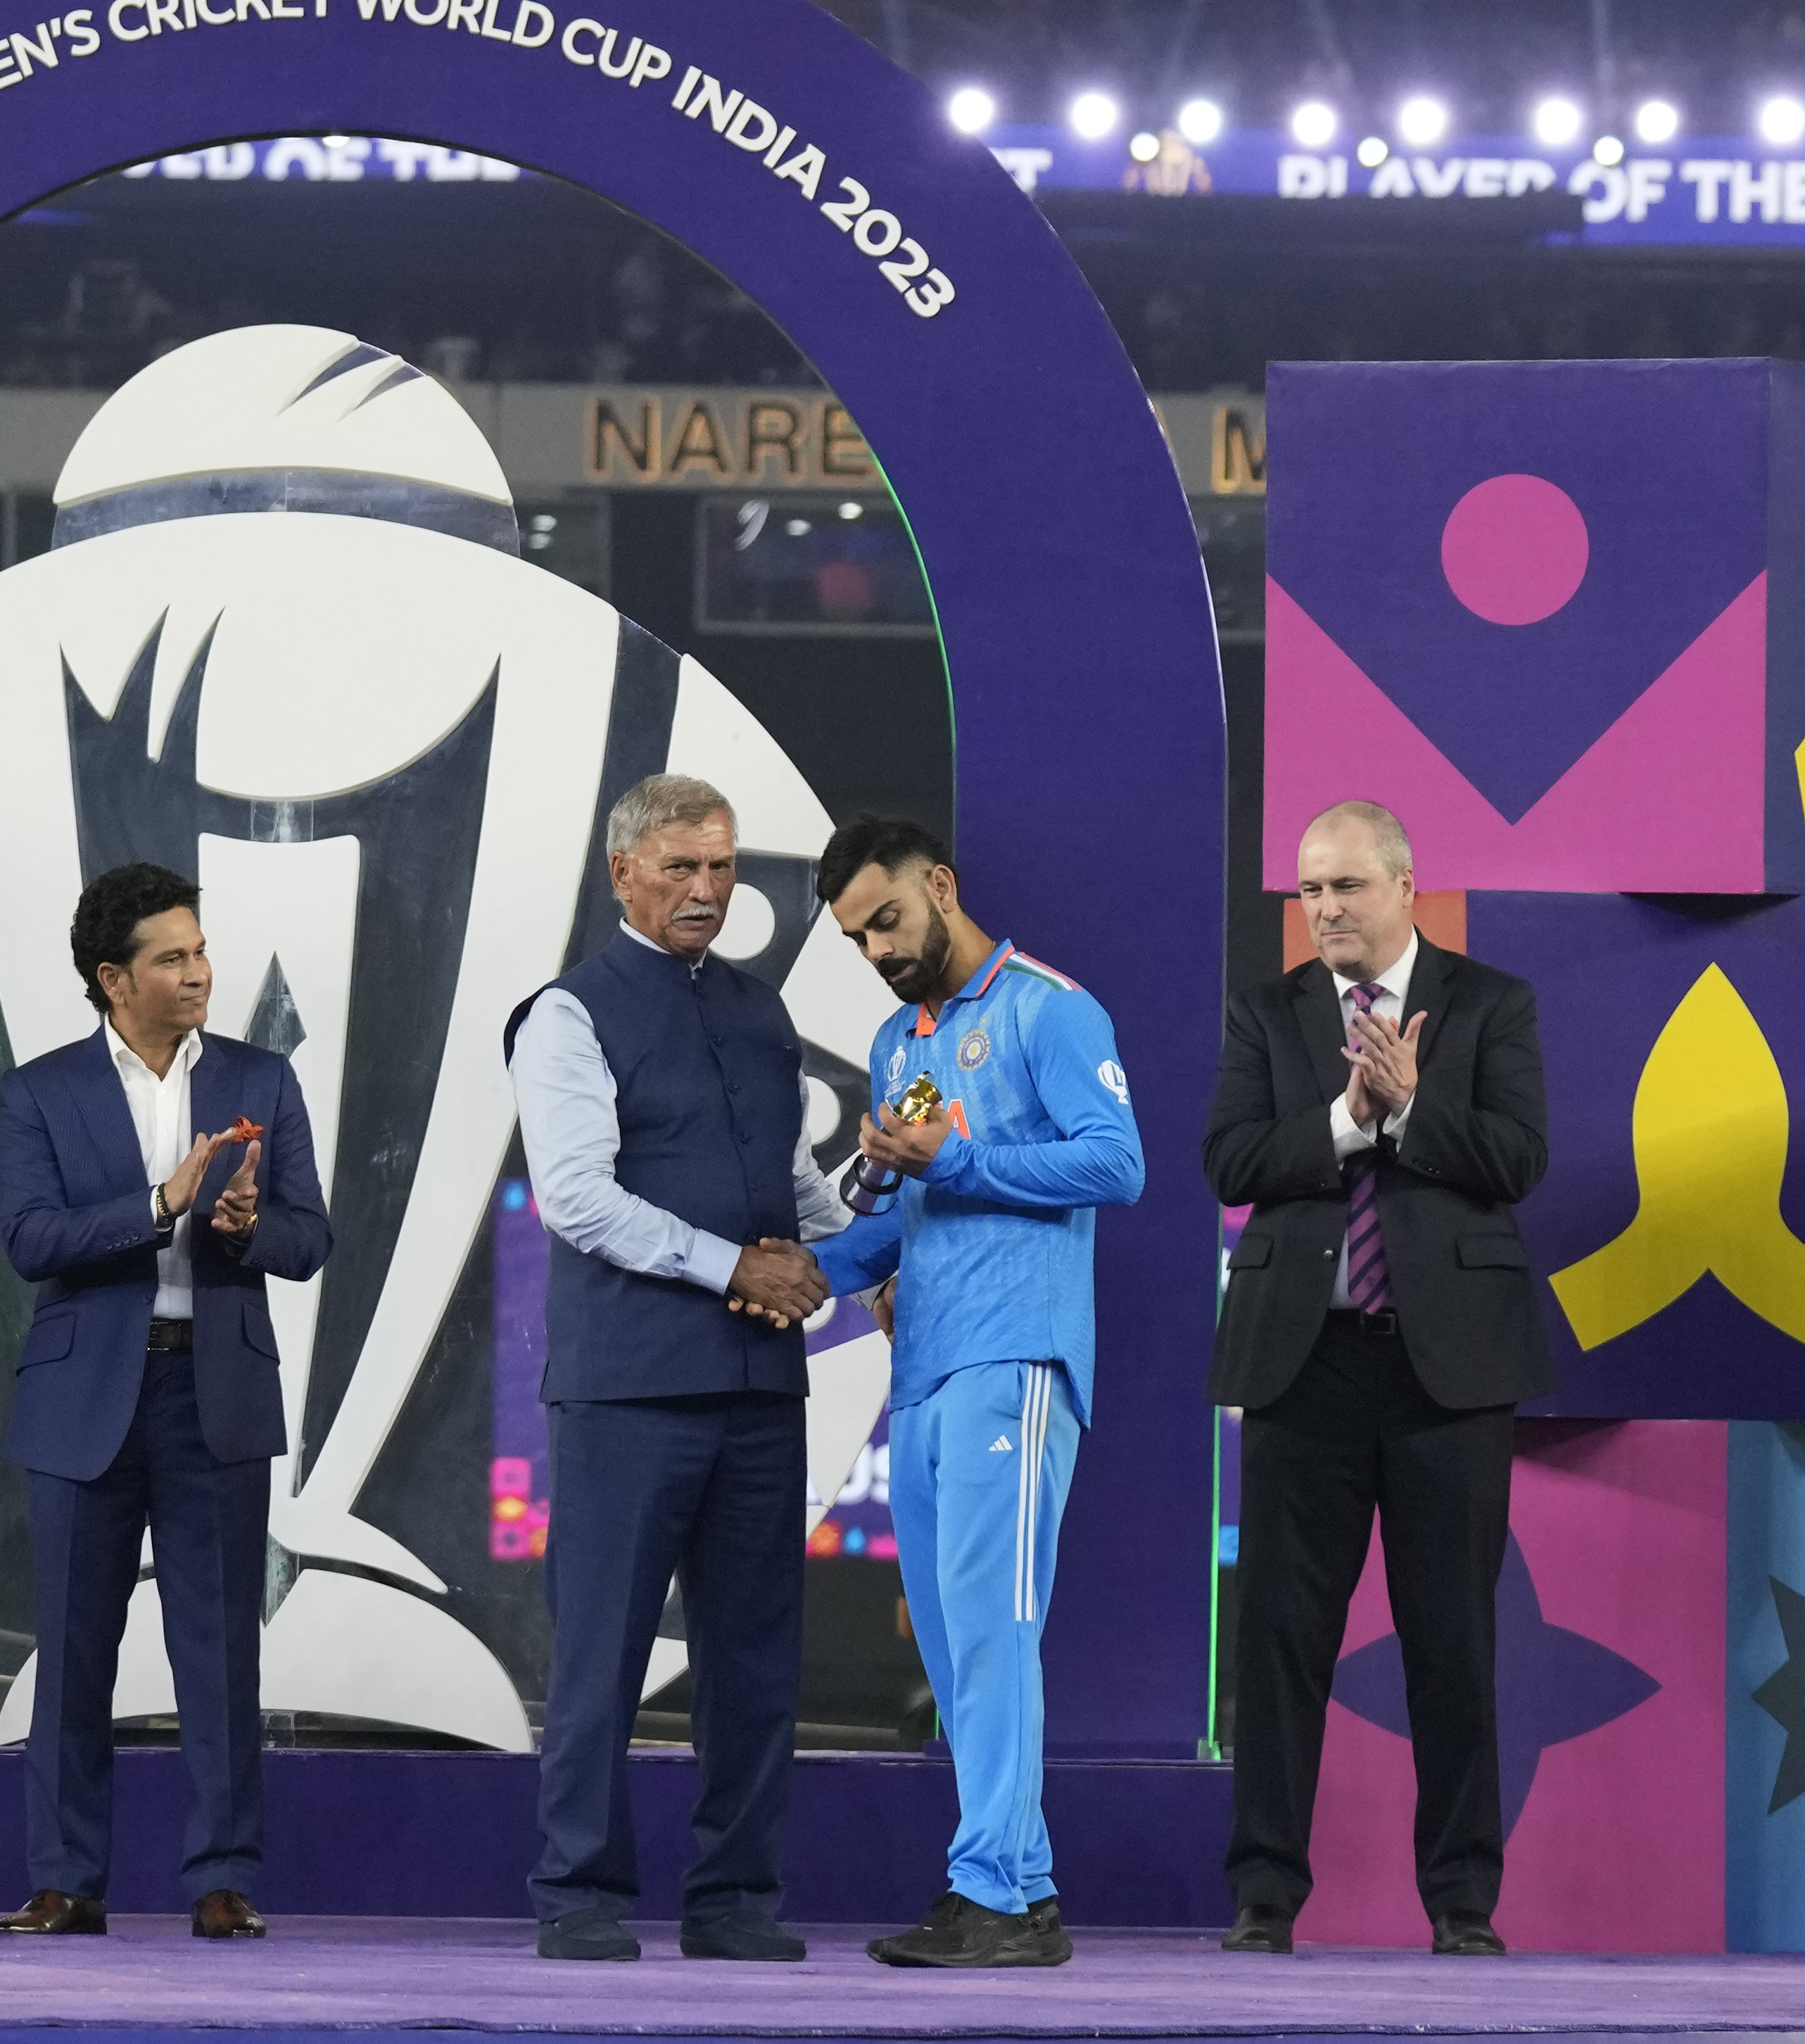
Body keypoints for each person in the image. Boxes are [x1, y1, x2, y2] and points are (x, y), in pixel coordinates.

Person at [505, 774, 850, 1965]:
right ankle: (580, 1893)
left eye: (723, 869)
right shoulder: (565, 1015)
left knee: (757, 1657)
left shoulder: (761, 1013)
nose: (707, 890)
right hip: (628, 1387)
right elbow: (577, 1200)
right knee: (600, 1650)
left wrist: (865, 1251)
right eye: (681, 869)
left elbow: (795, 1189)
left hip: (758, 1388)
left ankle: (735, 1898)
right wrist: (735, 1270)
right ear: (622, 876)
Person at [797, 814, 1143, 1969]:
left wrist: (958, 1162)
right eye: (855, 939)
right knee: (952, 1648)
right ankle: (1020, 1890)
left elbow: (1117, 1162)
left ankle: (990, 1892)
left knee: (993, 1635)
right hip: (928, 1368)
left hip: (1018, 1358)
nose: (879, 950)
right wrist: (800, 1274)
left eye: (886, 919)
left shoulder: (1051, 1008)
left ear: (939, 885)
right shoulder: (902, 1043)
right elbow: (896, 1223)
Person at [1205, 800, 1550, 1957]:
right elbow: (1233, 1158)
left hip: (1447, 1373)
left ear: (1405, 885)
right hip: (1304, 1367)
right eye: (1310, 893)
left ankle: (1462, 1905)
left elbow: (1518, 1159)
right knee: (1280, 1641)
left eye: (1347, 888)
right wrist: (1347, 1121)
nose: (1326, 911)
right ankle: (1264, 1895)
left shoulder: (1490, 1002)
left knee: (1452, 1640)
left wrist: (1412, 1106)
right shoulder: (1269, 1014)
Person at [0, 862, 330, 1942]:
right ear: (111, 979)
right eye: (170, 958)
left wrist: (238, 1227)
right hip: (85, 1397)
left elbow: (309, 1238)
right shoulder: (38, 1090)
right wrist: (158, 1203)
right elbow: (29, 1240)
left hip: (214, 1390)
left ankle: (223, 1880)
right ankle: (65, 1881)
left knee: (221, 1649)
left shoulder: (260, 1079)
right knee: (72, 1648)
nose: (198, 973)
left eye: (201, 949)